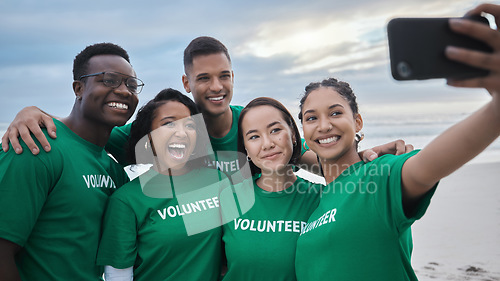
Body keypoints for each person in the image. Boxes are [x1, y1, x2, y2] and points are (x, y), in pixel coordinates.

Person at [294, 4, 500, 281]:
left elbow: (431, 162)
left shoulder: (381, 174)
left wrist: (496, 110)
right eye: (311, 118)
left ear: (357, 121)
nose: (323, 126)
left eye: (335, 113)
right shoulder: (315, 199)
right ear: (303, 130)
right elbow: (283, 151)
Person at [1, 37, 412, 172]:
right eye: (204, 79)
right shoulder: (173, 129)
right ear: (186, 82)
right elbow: (87, 134)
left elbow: (311, 158)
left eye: (225, 76)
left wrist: (371, 158)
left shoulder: (251, 124)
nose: (216, 87)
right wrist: (32, 113)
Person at [0, 42, 141, 281]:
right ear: (78, 88)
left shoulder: (114, 170)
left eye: (131, 84)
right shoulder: (33, 147)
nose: (124, 91)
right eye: (109, 80)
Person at [97, 88, 228, 281]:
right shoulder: (127, 199)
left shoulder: (219, 182)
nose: (181, 132)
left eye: (190, 126)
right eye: (168, 124)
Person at [216, 97, 322, 281]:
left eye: (275, 130)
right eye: (254, 136)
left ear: (294, 136)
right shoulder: (229, 196)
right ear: (245, 147)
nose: (267, 143)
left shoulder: (319, 199)